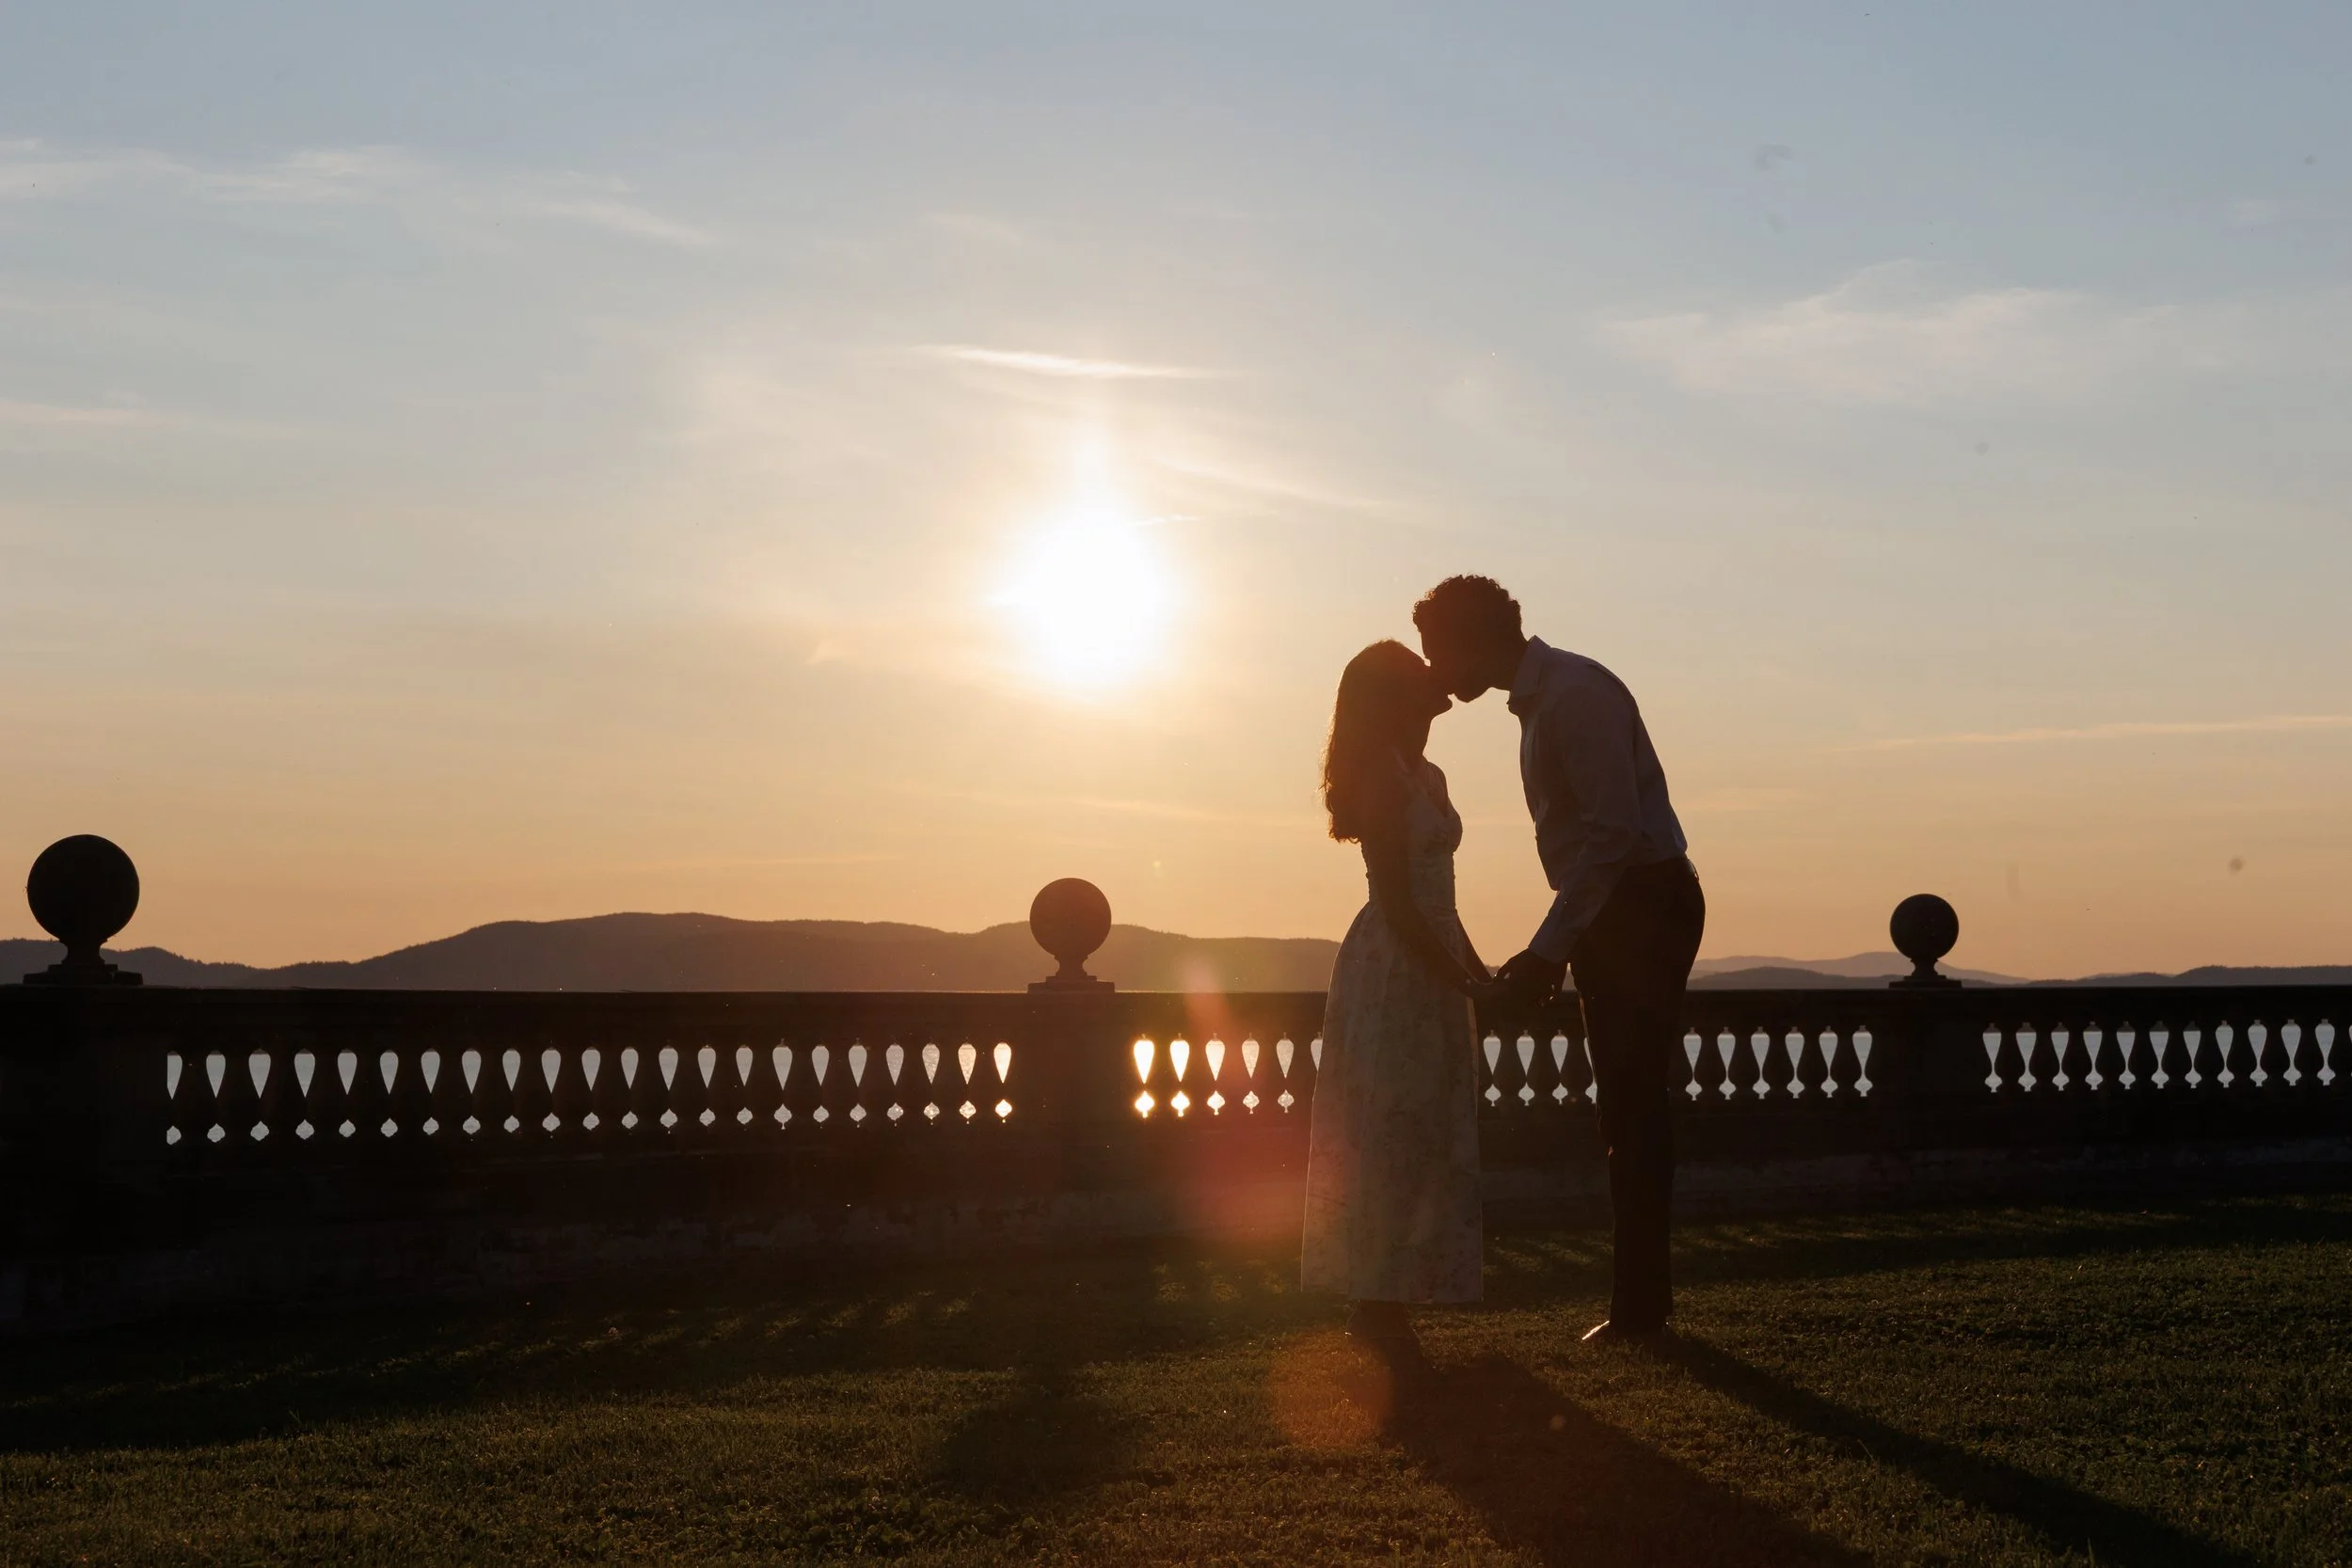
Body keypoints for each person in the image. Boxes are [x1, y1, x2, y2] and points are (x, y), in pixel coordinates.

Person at [1414, 576, 1703, 1345]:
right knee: (1626, 1105)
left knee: (1633, 1105)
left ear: (1478, 639)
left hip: (1642, 905)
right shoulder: (1548, 698)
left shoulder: (1572, 697)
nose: (1437, 671)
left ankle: (1643, 1308)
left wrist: (1547, 951)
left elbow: (1612, 839)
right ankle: (1643, 1303)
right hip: (1625, 906)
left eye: (1440, 651)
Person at [1300, 640, 1489, 1363]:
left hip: (1431, 953)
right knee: (1387, 1126)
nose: (1431, 720)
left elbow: (1441, 905)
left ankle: (1395, 1293)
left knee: (1425, 1125)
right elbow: (1401, 904)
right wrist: (1462, 975)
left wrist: (1478, 969)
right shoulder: (1379, 778)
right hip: (1395, 962)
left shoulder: (1427, 774)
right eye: (1419, 705)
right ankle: (1371, 1301)